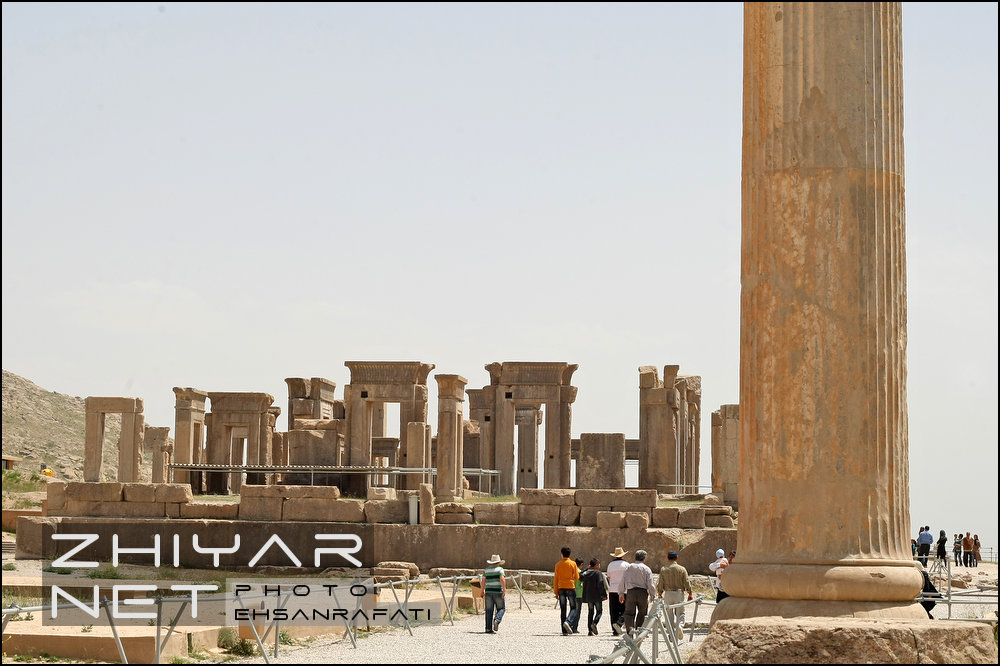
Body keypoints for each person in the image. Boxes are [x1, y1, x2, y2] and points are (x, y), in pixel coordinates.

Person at [656, 550, 693, 640]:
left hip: (668, 594)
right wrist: (690, 593)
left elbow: (660, 582)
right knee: (680, 613)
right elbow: (686, 582)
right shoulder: (682, 569)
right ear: (676, 558)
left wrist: (660, 593)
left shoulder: (663, 569)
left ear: (668, 558)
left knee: (669, 615)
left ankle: (671, 634)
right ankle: (680, 625)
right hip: (679, 593)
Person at [619, 549, 656, 634]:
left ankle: (630, 629)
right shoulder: (646, 569)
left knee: (629, 613)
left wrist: (621, 593)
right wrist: (652, 594)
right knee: (642, 612)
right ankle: (639, 631)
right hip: (642, 593)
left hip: (631, 592)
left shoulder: (628, 567)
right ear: (644, 559)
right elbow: (650, 583)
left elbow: (622, 581)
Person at [554, 546, 580, 635]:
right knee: (573, 607)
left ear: (561, 554)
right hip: (570, 587)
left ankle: (564, 631)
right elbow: (577, 577)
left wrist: (556, 592)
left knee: (563, 609)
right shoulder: (573, 563)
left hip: (561, 588)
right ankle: (568, 622)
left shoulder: (558, 565)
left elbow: (556, 579)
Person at [580, 558, 609, 636]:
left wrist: (586, 568)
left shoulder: (586, 573)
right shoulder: (598, 573)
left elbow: (580, 576)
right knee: (599, 611)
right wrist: (604, 595)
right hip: (597, 596)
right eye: (598, 564)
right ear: (596, 565)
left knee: (590, 612)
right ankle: (594, 623)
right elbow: (600, 584)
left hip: (589, 596)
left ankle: (590, 630)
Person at [480, 554, 506, 634]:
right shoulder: (500, 569)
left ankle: (488, 628)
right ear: (498, 562)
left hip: (488, 592)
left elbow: (483, 581)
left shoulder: (486, 570)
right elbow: (502, 579)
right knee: (501, 608)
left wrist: (482, 591)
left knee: (488, 610)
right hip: (497, 591)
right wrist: (504, 590)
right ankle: (497, 619)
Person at [606, 546, 629, 635]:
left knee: (613, 610)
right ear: (623, 555)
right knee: (625, 609)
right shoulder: (627, 565)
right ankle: (619, 623)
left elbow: (608, 578)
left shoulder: (610, 565)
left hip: (612, 590)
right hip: (624, 590)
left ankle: (614, 629)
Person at [571, 558, 585, 633]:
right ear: (581, 564)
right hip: (579, 594)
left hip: (572, 592)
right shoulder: (579, 572)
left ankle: (570, 624)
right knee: (577, 612)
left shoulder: (572, 571)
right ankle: (574, 627)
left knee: (572, 610)